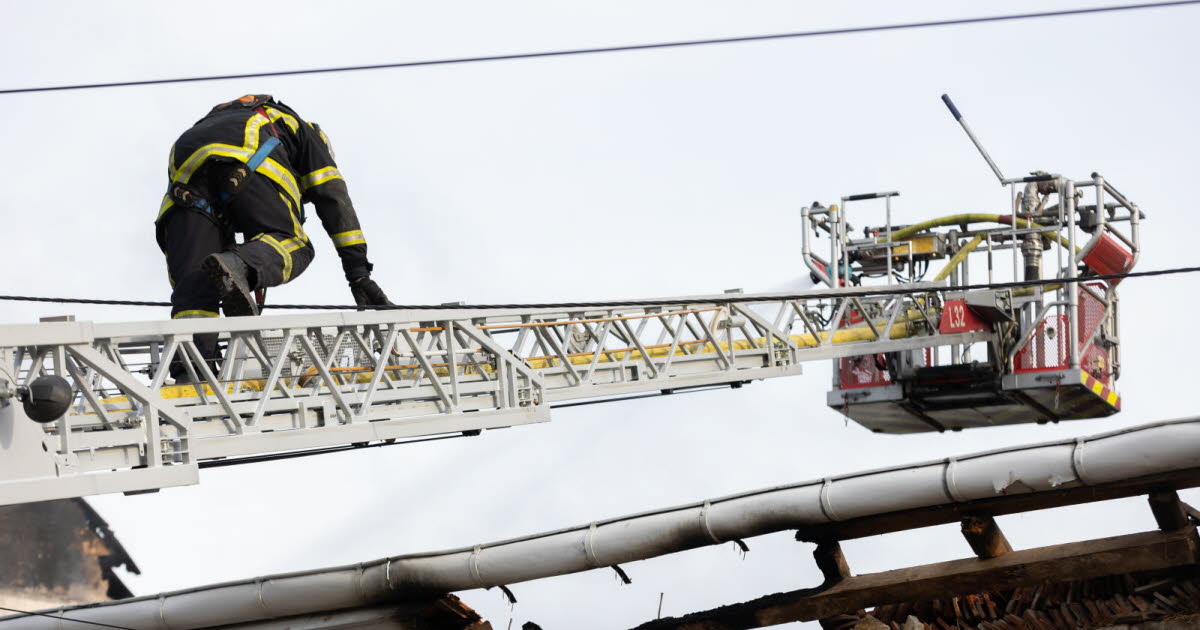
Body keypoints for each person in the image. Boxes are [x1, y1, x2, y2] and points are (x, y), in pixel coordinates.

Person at [155, 94, 391, 378]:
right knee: (292, 244)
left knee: (197, 283)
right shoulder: (304, 133)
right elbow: (332, 196)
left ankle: (190, 374)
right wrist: (358, 273)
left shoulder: (213, 122)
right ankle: (239, 266)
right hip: (248, 153)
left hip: (183, 176)